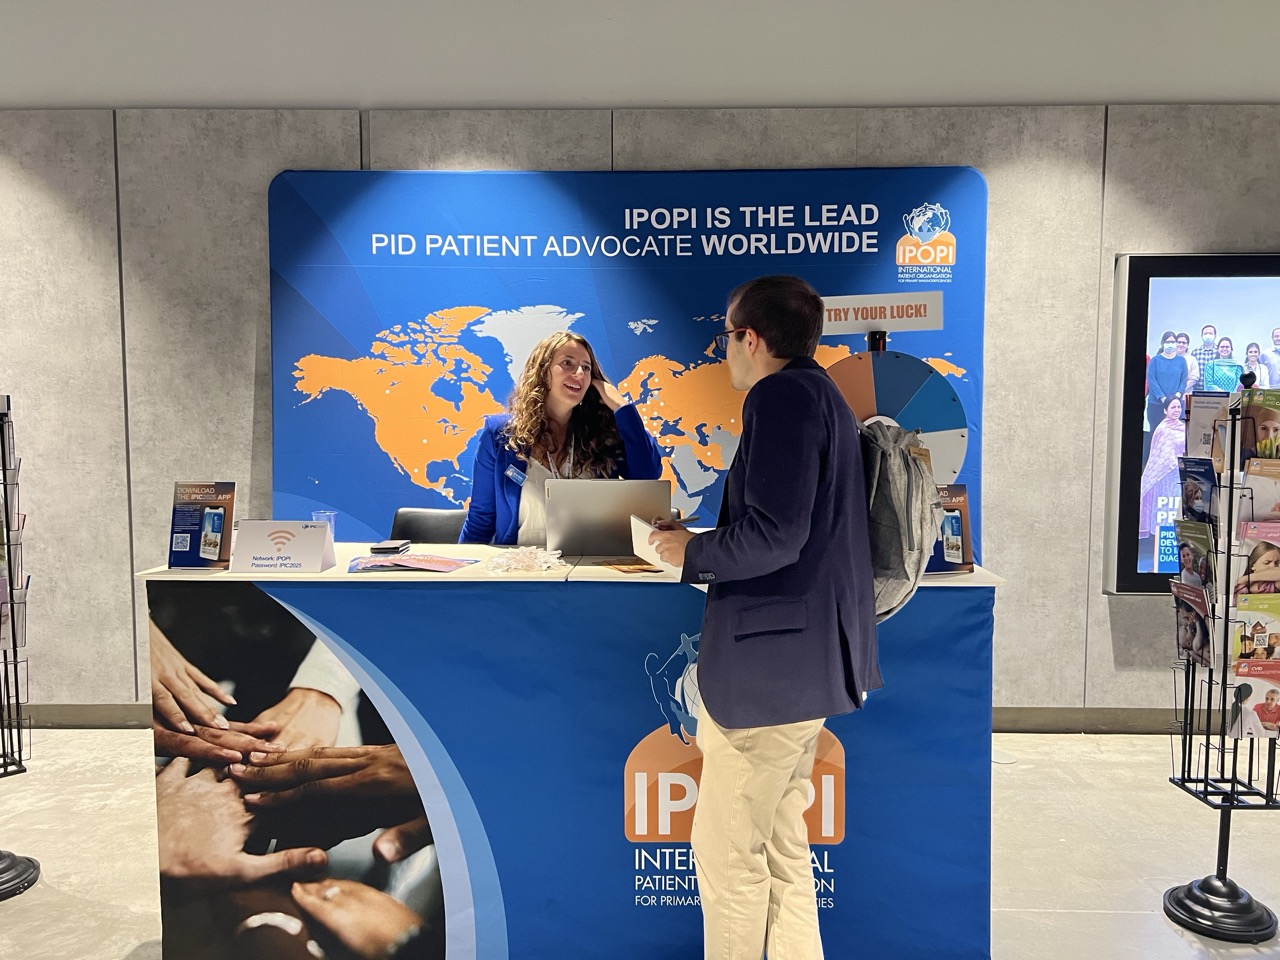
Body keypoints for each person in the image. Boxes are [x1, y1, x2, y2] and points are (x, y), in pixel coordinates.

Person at [648, 275, 876, 960]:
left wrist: (689, 551)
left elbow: (776, 535)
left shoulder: (781, 396)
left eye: (727, 335)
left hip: (769, 681)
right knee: (780, 849)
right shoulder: (822, 395)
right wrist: (701, 540)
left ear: (751, 337)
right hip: (800, 672)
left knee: (728, 860)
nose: (725, 351)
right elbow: (787, 528)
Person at [458, 331, 662, 546]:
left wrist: (623, 408)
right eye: (567, 363)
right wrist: (461, 573)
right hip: (523, 570)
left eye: (586, 367)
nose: (579, 373)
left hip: (592, 569)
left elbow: (647, 476)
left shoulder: (602, 434)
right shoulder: (500, 434)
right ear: (544, 372)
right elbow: (481, 519)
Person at [1138, 398, 1186, 543]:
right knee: (1164, 513)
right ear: (1165, 410)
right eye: (1173, 407)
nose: (1177, 410)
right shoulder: (1162, 429)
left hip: (1179, 477)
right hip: (1164, 478)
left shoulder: (1184, 427)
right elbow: (1160, 455)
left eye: (1178, 407)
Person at [1145, 330, 1188, 431]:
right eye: (1168, 342)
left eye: (1173, 342)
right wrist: (1163, 399)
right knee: (1155, 434)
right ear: (1162, 343)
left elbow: (1183, 381)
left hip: (1175, 405)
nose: (1170, 344)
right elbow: (1152, 381)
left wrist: (1176, 397)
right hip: (1156, 405)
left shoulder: (1181, 361)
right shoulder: (1155, 360)